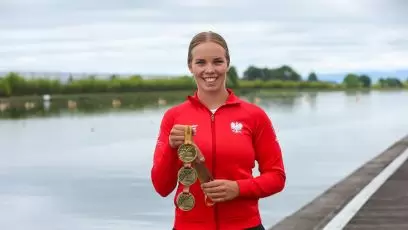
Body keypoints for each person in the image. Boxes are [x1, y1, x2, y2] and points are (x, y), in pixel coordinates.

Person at [150, 31, 286, 230]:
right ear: (190, 66)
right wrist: (171, 149)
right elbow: (161, 187)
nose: (210, 69)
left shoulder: (254, 115)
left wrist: (238, 188)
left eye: (217, 61)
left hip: (245, 226)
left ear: (227, 64)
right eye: (201, 62)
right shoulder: (174, 117)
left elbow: (277, 176)